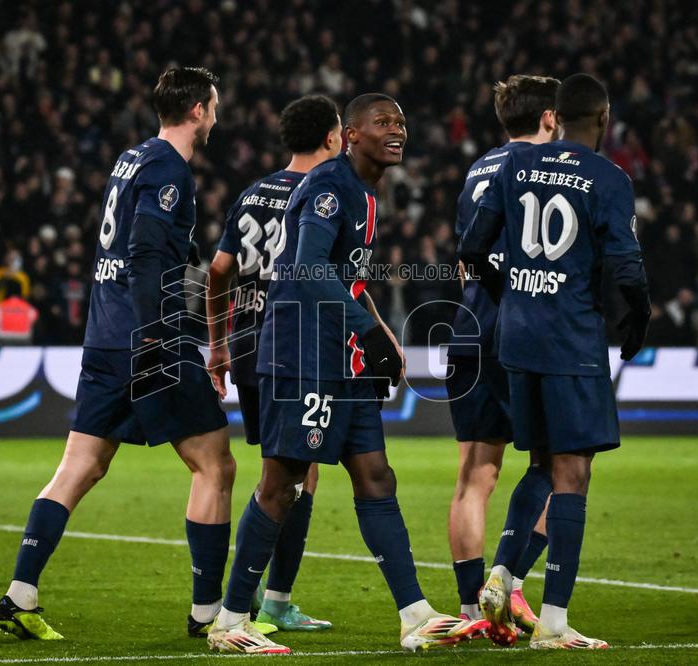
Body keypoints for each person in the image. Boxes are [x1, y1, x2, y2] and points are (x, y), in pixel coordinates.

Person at [0, 67, 267, 642]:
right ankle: (207, 613)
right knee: (215, 464)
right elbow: (143, 251)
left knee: (80, 466)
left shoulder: (133, 158)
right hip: (150, 339)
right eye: (213, 106)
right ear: (196, 110)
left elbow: (143, 244)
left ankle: (20, 594)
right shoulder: (170, 169)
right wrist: (154, 335)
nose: (216, 116)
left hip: (103, 336)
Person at [207, 94, 477, 655]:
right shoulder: (329, 188)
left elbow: (345, 278)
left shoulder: (362, 192)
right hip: (302, 353)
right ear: (349, 134)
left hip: (339, 354)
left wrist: (371, 334)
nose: (396, 130)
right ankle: (231, 621)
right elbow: (306, 268)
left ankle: (415, 614)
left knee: (376, 475)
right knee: (281, 485)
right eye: (382, 122)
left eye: (401, 121)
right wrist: (370, 330)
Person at [459, 73, 650, 650]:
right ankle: (555, 622)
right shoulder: (609, 178)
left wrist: (512, 290)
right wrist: (635, 322)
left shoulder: (515, 167)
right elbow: (624, 266)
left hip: (516, 339)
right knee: (574, 474)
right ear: (605, 116)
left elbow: (471, 246)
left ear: (556, 116)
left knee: (542, 462)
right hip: (570, 339)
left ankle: (501, 577)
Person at [205, 95, 343, 632]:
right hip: (296, 346)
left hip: (246, 345)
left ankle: (257, 600)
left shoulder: (253, 192)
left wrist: (217, 344)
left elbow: (218, 270)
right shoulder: (327, 193)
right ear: (332, 138)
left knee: (281, 473)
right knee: (291, 478)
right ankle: (265, 602)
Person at [446, 75, 560, 637]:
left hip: (467, 321)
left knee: (474, 475)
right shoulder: (544, 169)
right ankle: (506, 581)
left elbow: (468, 245)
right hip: (517, 324)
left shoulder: (480, 167)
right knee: (556, 460)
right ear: (548, 118)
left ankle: (472, 610)